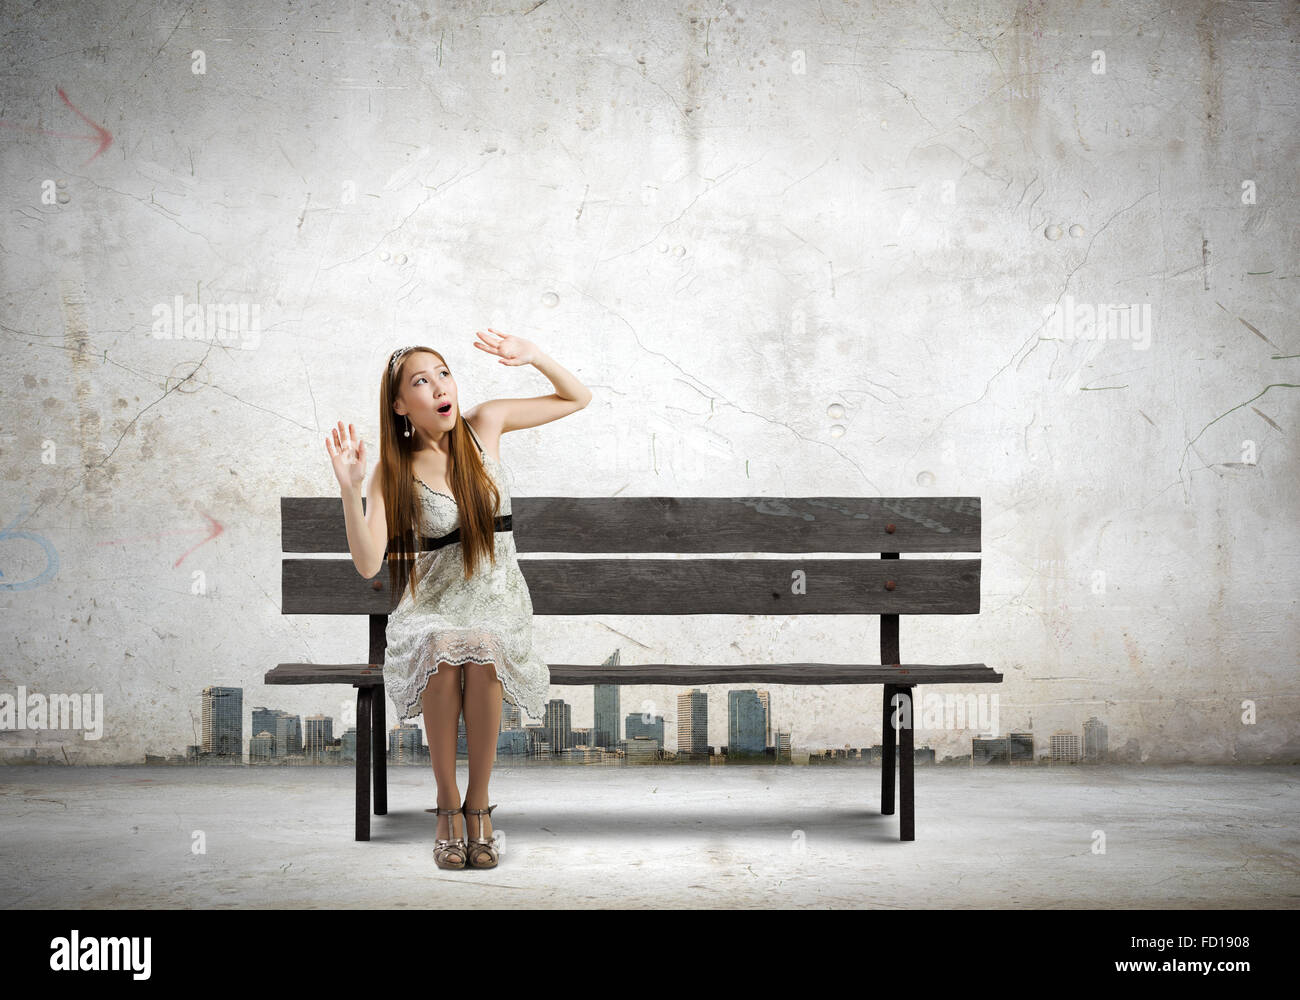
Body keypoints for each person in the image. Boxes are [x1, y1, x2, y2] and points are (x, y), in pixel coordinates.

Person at [325, 329, 592, 869]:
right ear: (401, 405)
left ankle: (478, 807)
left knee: (483, 641)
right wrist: (350, 489)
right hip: (435, 607)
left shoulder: (485, 425)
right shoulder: (392, 471)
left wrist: (534, 355)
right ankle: (447, 804)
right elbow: (368, 564)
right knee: (449, 643)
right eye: (420, 382)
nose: (439, 386)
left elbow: (576, 397)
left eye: (443, 374)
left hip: (498, 599)